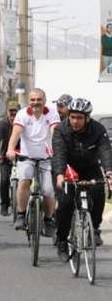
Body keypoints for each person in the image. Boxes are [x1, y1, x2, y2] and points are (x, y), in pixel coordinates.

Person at [52, 98, 112, 260]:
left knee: (99, 190)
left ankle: (95, 228)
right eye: (72, 117)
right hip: (67, 168)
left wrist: (109, 173)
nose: (75, 121)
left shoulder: (98, 130)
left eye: (79, 118)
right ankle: (62, 241)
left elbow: (105, 151)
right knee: (65, 202)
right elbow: (59, 154)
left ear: (87, 118)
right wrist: (59, 174)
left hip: (89, 167)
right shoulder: (61, 130)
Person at [7, 88, 60, 236]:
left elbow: (54, 131)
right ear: (28, 101)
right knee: (24, 181)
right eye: (32, 100)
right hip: (27, 157)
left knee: (48, 190)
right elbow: (16, 133)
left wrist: (58, 151)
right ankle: (21, 215)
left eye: (39, 100)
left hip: (47, 158)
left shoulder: (52, 113)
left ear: (44, 100)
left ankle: (49, 220)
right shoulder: (22, 114)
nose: (35, 103)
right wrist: (10, 149)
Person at [0, 101, 20, 216]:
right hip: (5, 156)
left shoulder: (23, 123)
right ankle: (4, 204)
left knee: (23, 180)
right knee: (4, 180)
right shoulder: (2, 124)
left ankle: (21, 206)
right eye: (11, 111)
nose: (13, 114)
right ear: (7, 112)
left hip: (21, 155)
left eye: (16, 112)